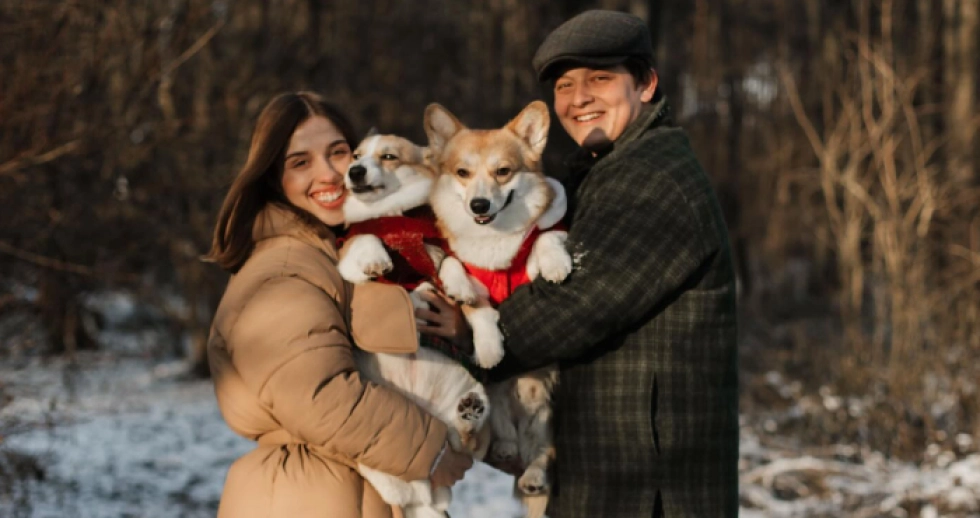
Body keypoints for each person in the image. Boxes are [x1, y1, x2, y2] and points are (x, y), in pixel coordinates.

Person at [418, 10, 739, 518]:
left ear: (647, 84)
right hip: (609, 468)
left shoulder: (654, 179)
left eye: (601, 78)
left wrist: (467, 328)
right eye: (565, 85)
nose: (579, 98)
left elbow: (579, 305)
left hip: (649, 485)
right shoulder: (607, 172)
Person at [204, 91, 472, 518]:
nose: (329, 175)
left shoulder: (335, 254)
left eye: (339, 153)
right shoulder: (285, 268)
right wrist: (430, 448)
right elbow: (315, 395)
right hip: (308, 496)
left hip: (346, 487)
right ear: (274, 178)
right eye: (300, 163)